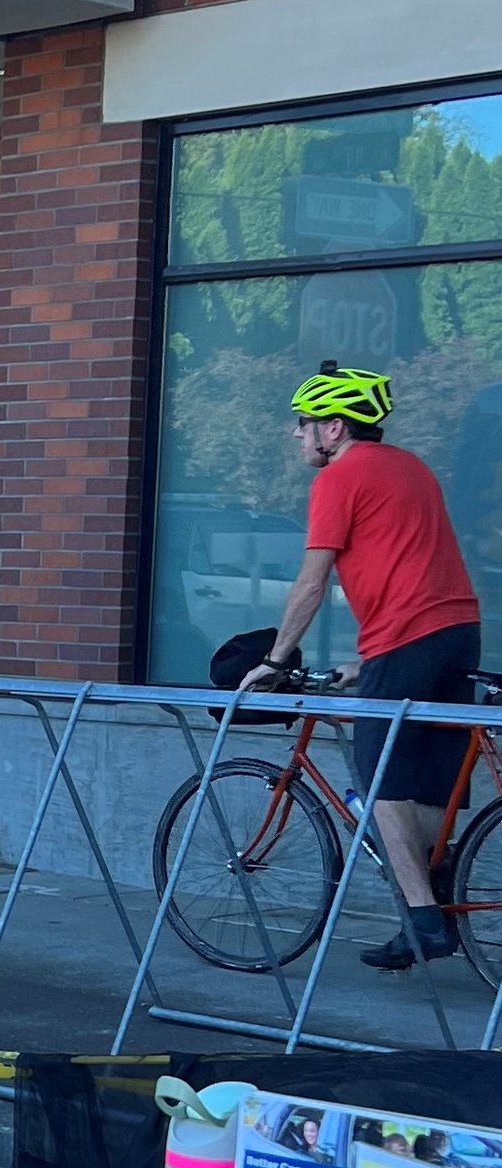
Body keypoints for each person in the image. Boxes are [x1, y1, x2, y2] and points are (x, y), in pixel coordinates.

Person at [254, 367, 483, 968]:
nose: (297, 437)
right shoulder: (413, 468)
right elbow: (414, 566)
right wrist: (369, 660)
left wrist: (276, 660)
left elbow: (312, 580)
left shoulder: (340, 477)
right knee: (431, 789)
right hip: (456, 634)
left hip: (407, 639)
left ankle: (424, 920)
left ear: (333, 427)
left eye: (304, 426)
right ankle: (444, 883)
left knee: (378, 784)